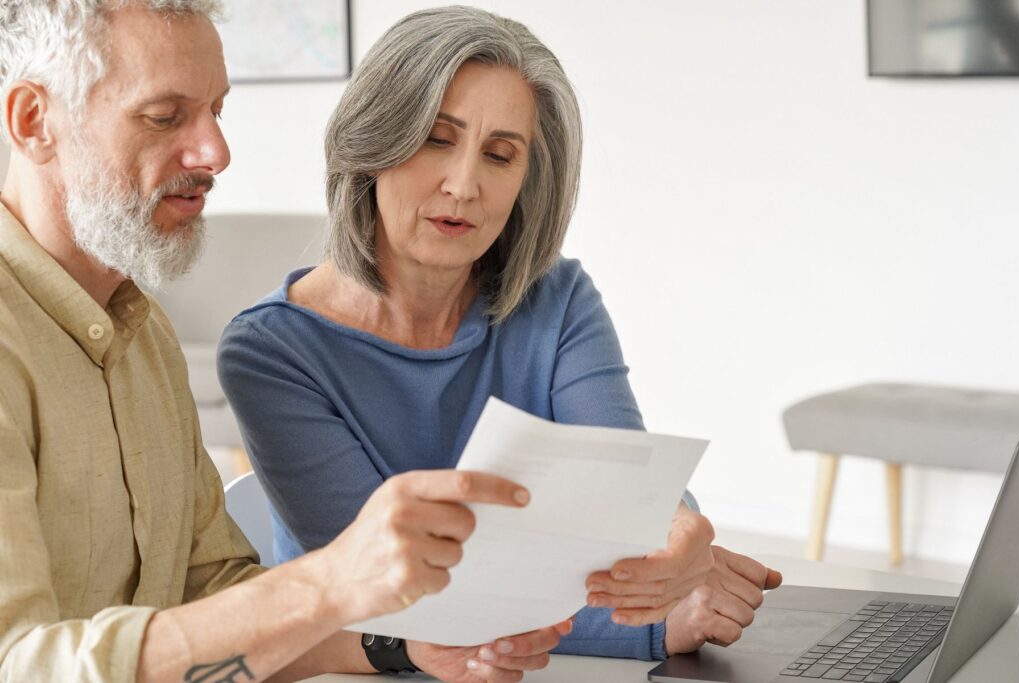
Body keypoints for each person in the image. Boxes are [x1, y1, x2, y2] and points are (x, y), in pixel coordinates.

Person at [0, 2, 571, 681]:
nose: (216, 152)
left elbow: (213, 594)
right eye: (165, 116)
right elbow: (21, 664)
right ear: (35, 122)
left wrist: (395, 644)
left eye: (218, 111)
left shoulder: (143, 333)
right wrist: (330, 580)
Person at [218, 5, 783, 681]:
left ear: (527, 181)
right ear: (373, 142)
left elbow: (626, 496)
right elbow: (395, 600)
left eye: (499, 154)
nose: (464, 184)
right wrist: (655, 619)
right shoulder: (269, 353)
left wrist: (676, 544)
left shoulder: (559, 297)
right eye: (435, 138)